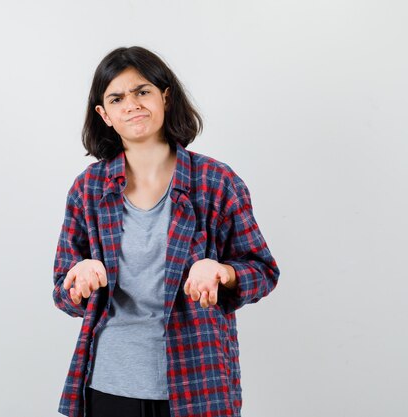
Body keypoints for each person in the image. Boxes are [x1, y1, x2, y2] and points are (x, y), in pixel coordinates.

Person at [52, 46, 280, 417]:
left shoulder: (216, 182)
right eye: (117, 97)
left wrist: (223, 271)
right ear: (104, 114)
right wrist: (77, 279)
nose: (132, 104)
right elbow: (63, 291)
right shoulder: (88, 189)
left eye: (142, 91)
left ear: (165, 97)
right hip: (109, 384)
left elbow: (263, 271)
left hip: (199, 381)